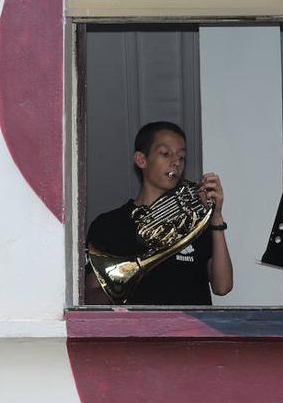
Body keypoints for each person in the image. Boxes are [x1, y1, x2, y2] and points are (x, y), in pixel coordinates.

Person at [86, 121, 233, 305]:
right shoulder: (108, 224)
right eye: (165, 154)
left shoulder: (194, 220)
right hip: (138, 331)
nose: (176, 162)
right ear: (141, 160)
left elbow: (223, 286)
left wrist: (216, 216)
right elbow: (92, 295)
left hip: (192, 331)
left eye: (182, 157)